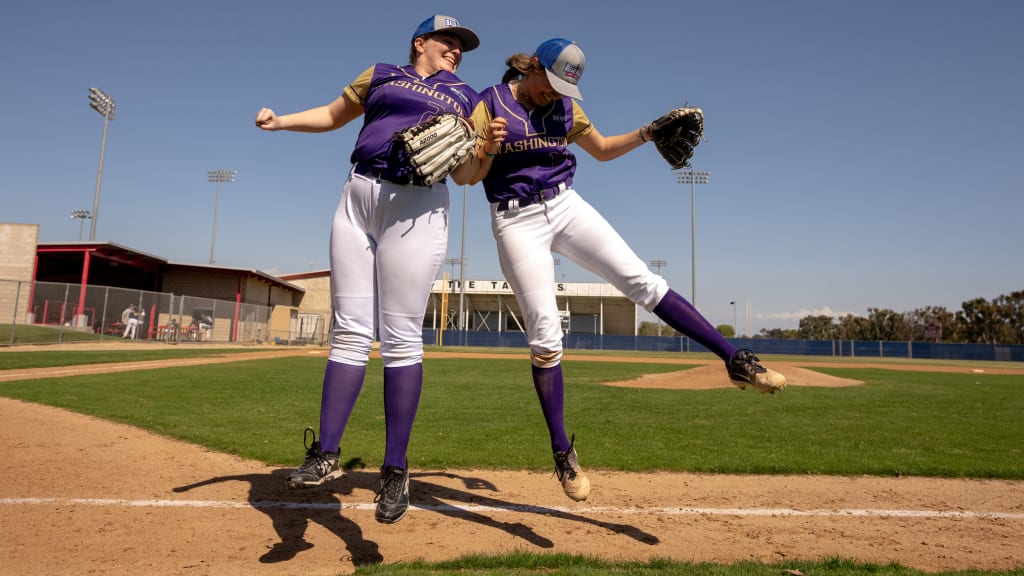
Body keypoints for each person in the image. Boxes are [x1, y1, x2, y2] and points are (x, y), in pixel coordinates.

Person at [467, 38, 788, 502]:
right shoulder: (491, 102)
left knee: (643, 281)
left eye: (563, 88)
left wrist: (646, 133)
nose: (554, 93)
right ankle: (562, 452)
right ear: (533, 66)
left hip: (565, 205)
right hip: (515, 218)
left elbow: (599, 149)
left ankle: (736, 360)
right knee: (545, 336)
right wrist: (488, 148)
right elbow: (471, 175)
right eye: (550, 82)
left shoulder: (566, 109)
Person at [255, 14, 501, 524]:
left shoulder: (468, 97)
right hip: (358, 195)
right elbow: (332, 114)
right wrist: (280, 122)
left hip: (417, 206)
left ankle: (395, 470)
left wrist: (488, 150)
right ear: (420, 42)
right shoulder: (382, 73)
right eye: (449, 40)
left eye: (462, 45)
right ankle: (326, 453)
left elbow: (467, 174)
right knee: (349, 330)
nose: (457, 49)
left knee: (401, 338)